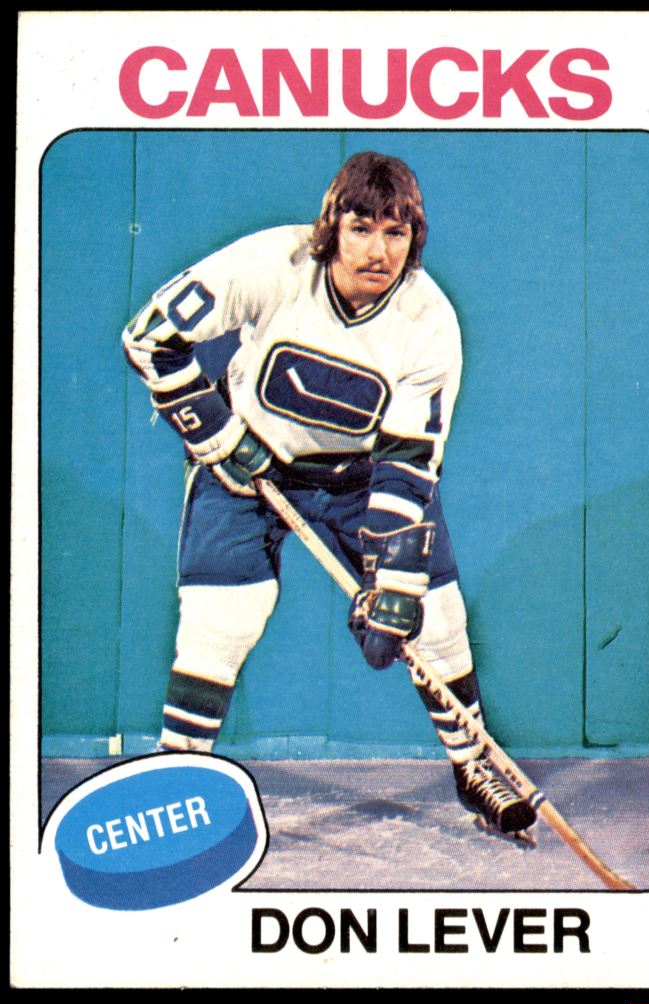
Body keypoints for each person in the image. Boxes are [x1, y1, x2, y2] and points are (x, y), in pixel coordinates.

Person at [122, 151, 536, 835]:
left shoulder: (429, 322)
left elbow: (408, 460)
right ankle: (176, 780)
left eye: (396, 233)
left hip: (360, 475)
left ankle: (474, 764)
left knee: (436, 617)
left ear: (415, 239)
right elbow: (149, 338)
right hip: (247, 463)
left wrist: (395, 583)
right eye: (361, 228)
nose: (378, 251)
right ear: (331, 227)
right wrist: (218, 436)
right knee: (223, 619)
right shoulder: (271, 264)